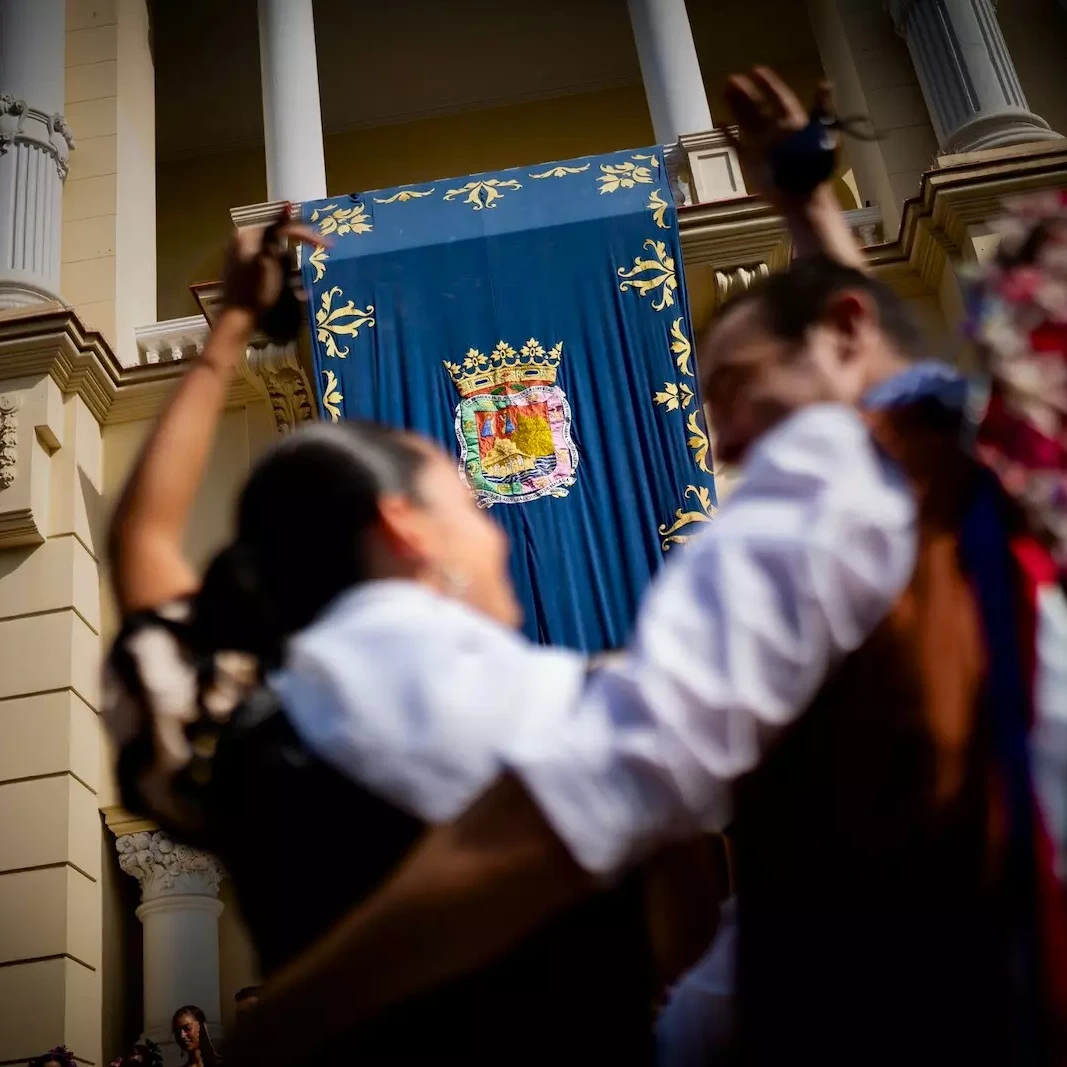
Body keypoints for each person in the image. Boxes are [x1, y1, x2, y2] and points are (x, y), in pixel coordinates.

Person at [226, 69, 1067, 1067]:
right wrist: (799, 198)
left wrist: (283, 1017)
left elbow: (598, 786)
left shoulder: (813, 478)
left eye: (734, 392)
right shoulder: (973, 467)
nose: (722, 439)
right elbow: (883, 368)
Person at [102, 214, 719, 1063]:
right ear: (405, 525)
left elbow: (140, 544)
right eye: (470, 505)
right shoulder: (613, 715)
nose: (498, 534)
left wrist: (231, 332)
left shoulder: (232, 730)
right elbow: (680, 947)